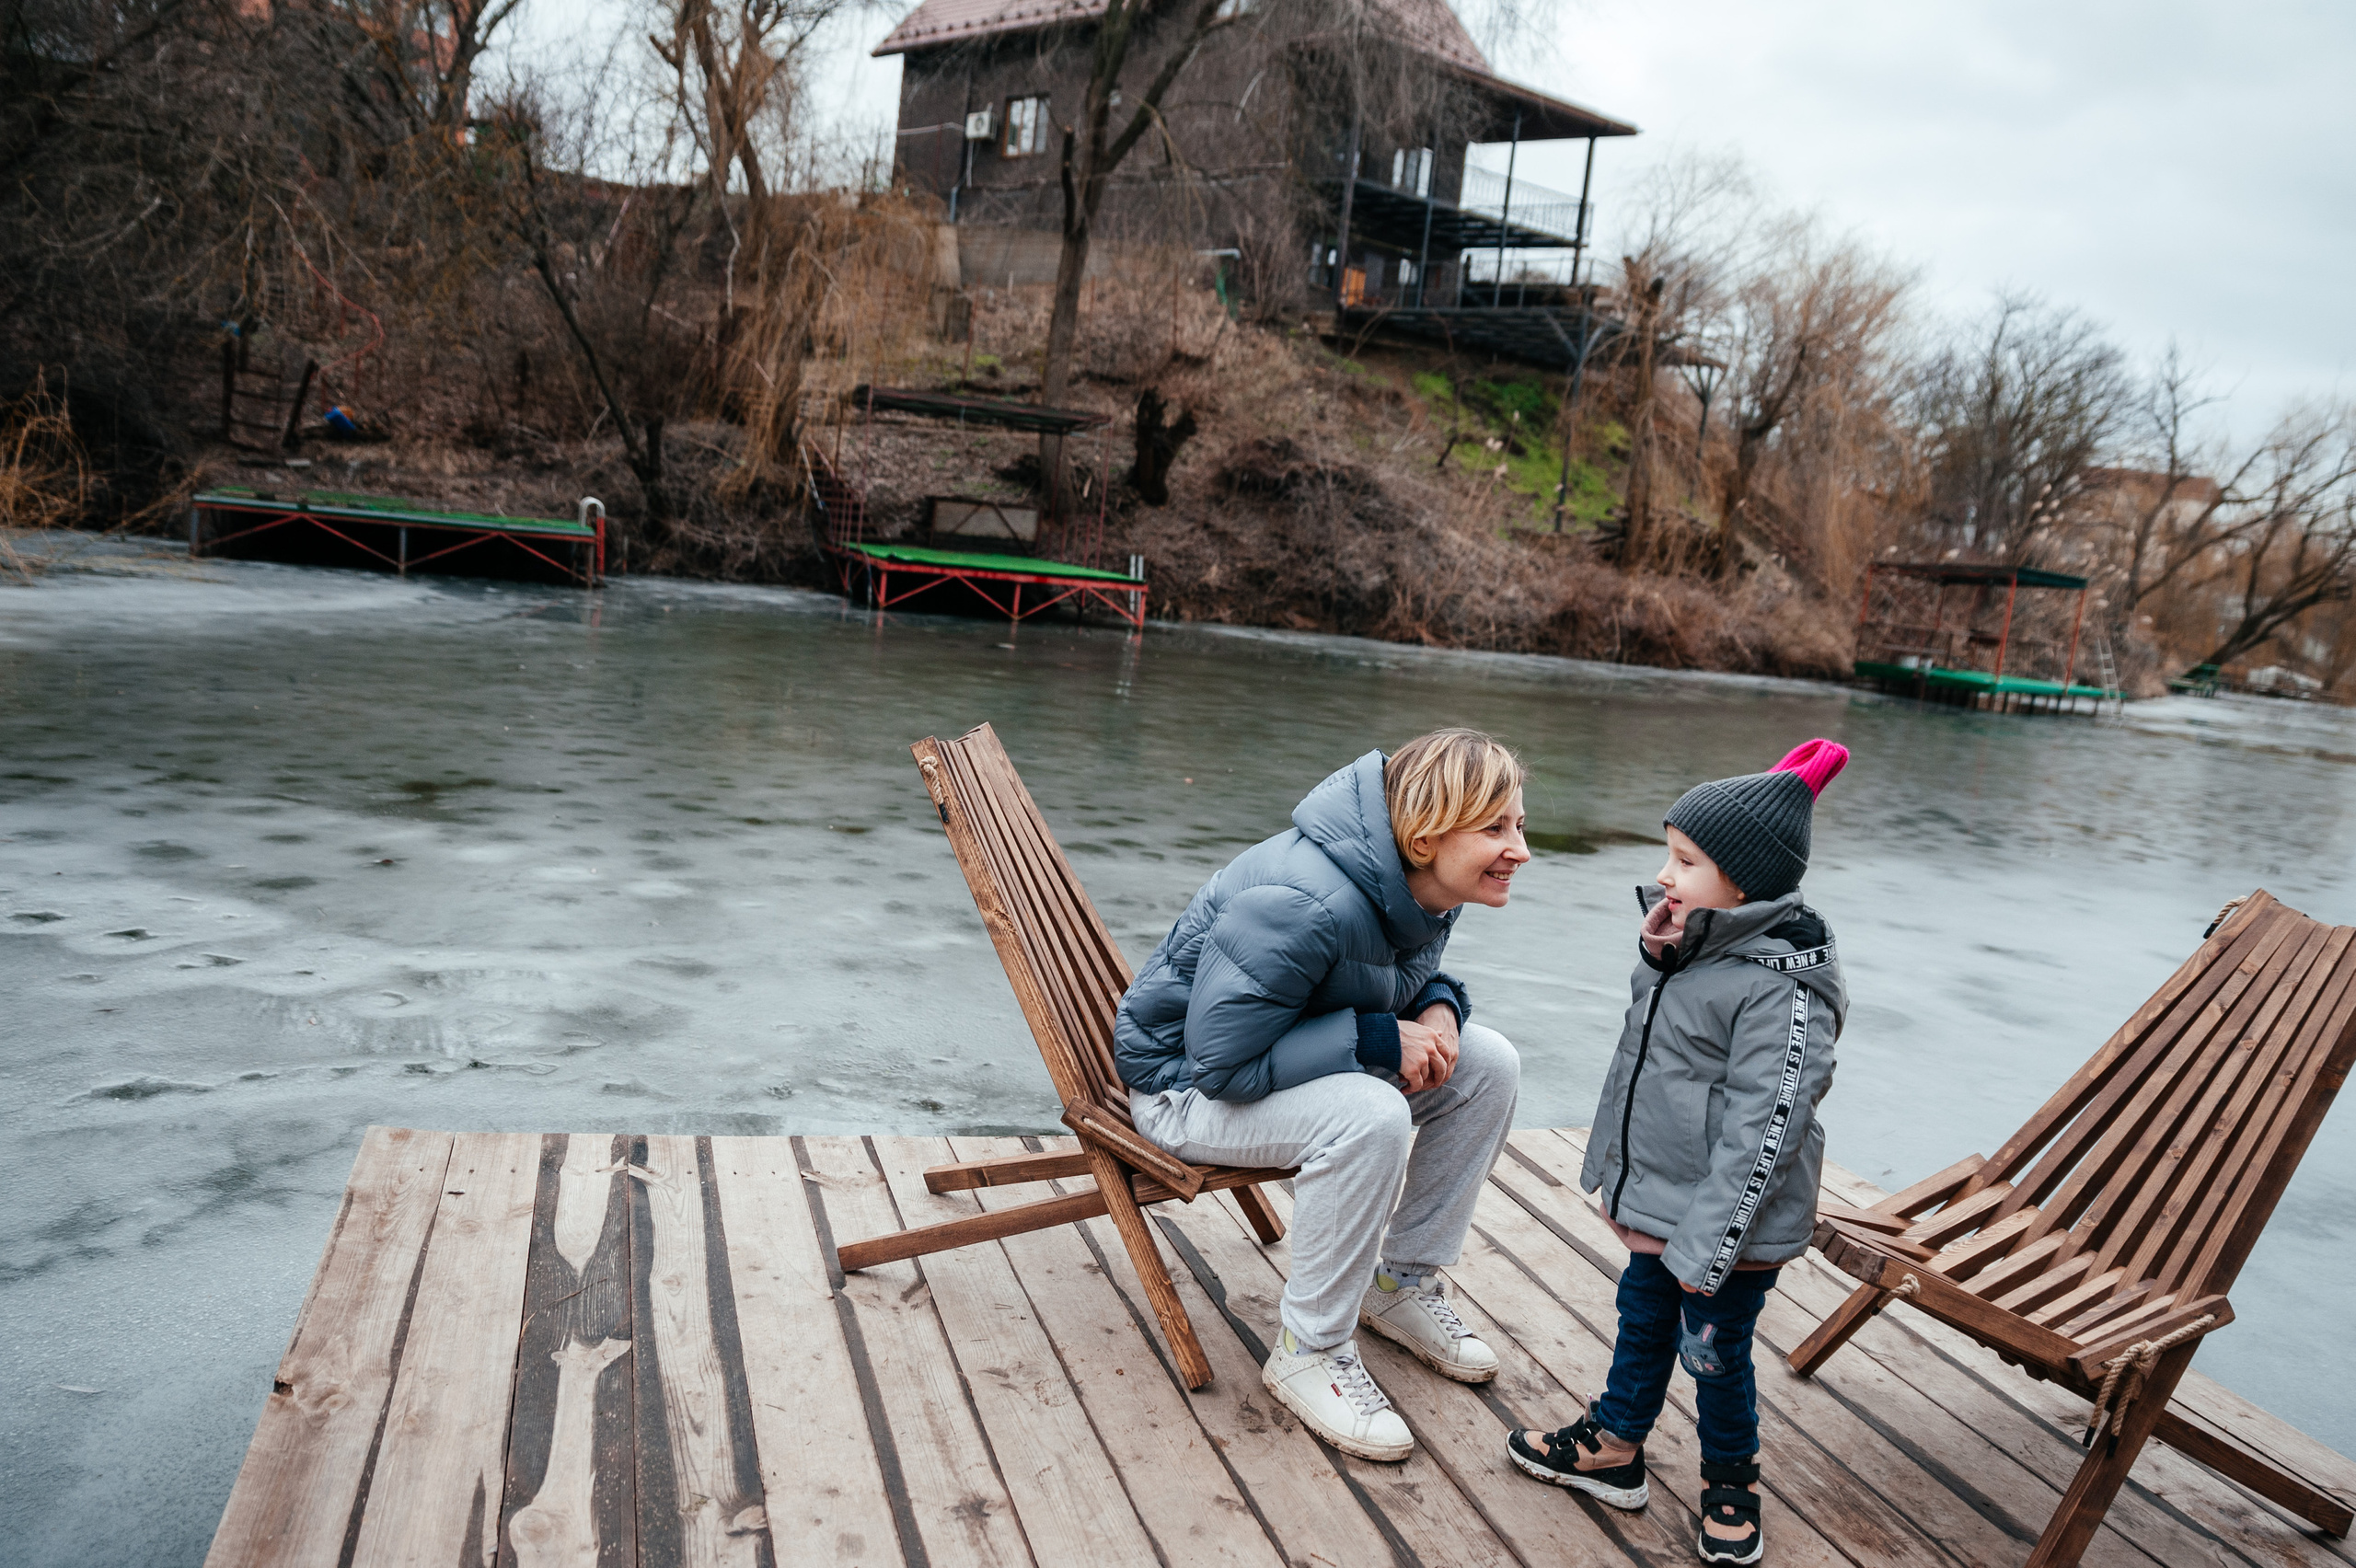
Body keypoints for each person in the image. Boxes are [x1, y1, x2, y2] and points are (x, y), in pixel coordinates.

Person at [1114, 729, 1530, 1461]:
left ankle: (1398, 1285)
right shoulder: (1301, 901)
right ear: (1428, 838)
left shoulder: (1419, 886)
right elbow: (1221, 1067)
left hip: (1284, 1060)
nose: (1520, 849)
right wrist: (1376, 1041)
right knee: (1371, 1114)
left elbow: (1391, 978)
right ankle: (1309, 1347)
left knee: (1488, 1062)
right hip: (1182, 1091)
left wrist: (1437, 1006)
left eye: (1518, 825)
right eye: (1496, 828)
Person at [1506, 739, 1850, 1566]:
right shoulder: (1696, 946)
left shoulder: (1782, 986)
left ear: (1745, 881)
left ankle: (1733, 1478)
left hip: (1729, 1223)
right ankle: (1617, 1446)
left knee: (1715, 1355)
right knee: (1644, 1316)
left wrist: (1709, 1247)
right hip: (1670, 1201)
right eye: (1668, 855)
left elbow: (1767, 1129)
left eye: (1685, 860)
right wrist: (1667, 948)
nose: (1665, 875)